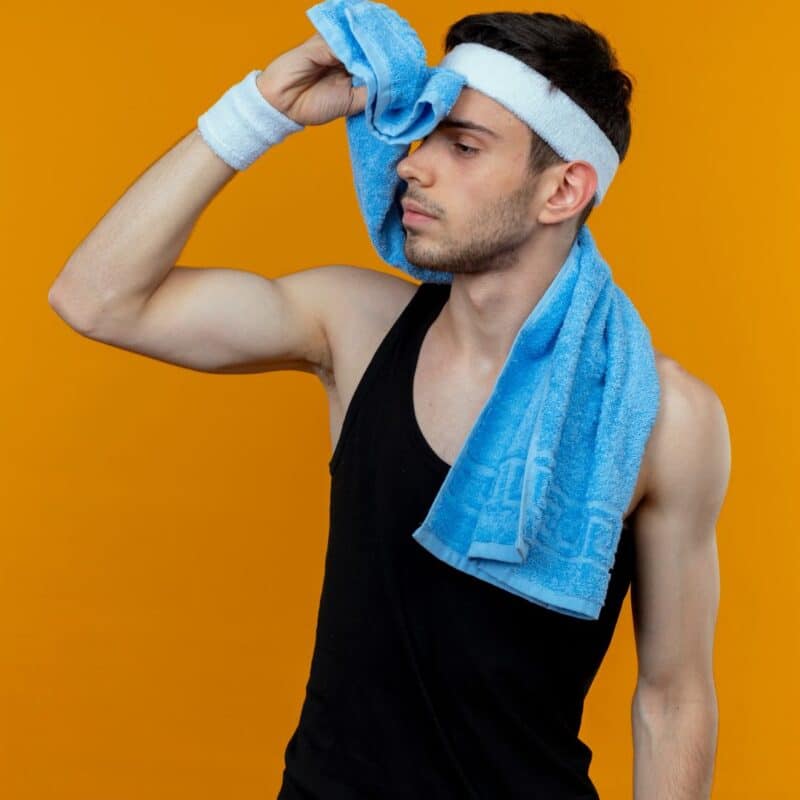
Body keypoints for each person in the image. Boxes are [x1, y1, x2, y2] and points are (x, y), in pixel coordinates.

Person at [48, 10, 729, 799]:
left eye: (463, 145)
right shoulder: (354, 326)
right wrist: (261, 107)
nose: (411, 165)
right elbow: (94, 300)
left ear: (564, 189)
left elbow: (674, 697)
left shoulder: (663, 417)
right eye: (424, 133)